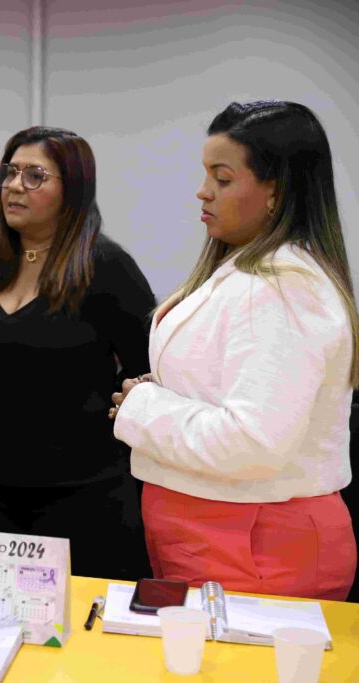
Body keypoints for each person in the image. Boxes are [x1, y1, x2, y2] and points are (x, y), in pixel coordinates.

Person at [112, 101, 358, 601]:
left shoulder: (284, 289)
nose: (203, 191)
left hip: (257, 543)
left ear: (276, 190)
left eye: (222, 179)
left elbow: (254, 441)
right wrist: (166, 392)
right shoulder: (247, 269)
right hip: (218, 534)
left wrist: (142, 408)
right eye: (207, 175)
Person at [0, 126, 155, 580]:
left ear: (73, 192)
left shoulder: (107, 268)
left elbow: (149, 371)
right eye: (9, 172)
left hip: (84, 491)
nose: (13, 186)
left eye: (34, 176)